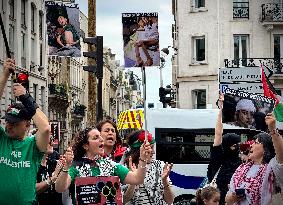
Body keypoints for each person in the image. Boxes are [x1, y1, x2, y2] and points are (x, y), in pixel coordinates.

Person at [55, 127, 152, 205]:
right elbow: (59, 188)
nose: (101, 139)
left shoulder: (110, 165)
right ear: (85, 146)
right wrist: (66, 167)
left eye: (100, 136)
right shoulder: (76, 167)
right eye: (96, 138)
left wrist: (143, 159)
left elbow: (137, 179)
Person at [0, 58, 51, 204]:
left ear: (27, 125)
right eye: (8, 121)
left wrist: (25, 96)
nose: (8, 126)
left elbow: (45, 128)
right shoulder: (2, 140)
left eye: (14, 123)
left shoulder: (32, 146)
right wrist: (4, 75)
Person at [225, 113, 283, 205]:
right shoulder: (242, 168)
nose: (251, 145)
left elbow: (281, 154)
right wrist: (232, 198)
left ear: (265, 148)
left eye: (256, 143)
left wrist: (272, 129)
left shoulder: (272, 168)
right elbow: (227, 199)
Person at [123, 130, 175, 204]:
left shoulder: (159, 165)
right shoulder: (126, 167)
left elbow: (170, 201)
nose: (153, 152)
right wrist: (133, 181)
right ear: (139, 150)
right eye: (150, 148)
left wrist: (164, 180)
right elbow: (123, 200)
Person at [207, 94, 241, 205]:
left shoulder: (242, 162)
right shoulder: (218, 158)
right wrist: (221, 109)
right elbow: (218, 134)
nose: (237, 148)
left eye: (239, 144)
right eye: (234, 145)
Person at [36, 137, 63, 205]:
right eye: (50, 141)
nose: (53, 143)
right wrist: (53, 178)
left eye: (52, 140)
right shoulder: (32, 165)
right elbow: (30, 189)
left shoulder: (53, 163)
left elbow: (62, 188)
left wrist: (66, 166)